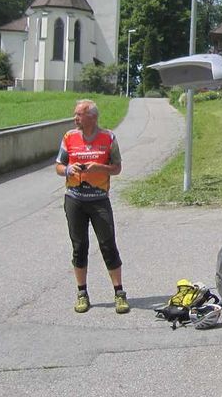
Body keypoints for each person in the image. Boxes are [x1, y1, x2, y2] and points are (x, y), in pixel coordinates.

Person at [55, 99, 129, 314]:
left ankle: (119, 293)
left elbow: (117, 168)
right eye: (75, 114)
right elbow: (58, 166)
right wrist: (68, 169)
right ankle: (82, 293)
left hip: (99, 200)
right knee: (79, 247)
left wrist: (100, 168)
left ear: (92, 117)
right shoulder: (69, 137)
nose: (75, 118)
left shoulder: (108, 137)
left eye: (79, 114)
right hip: (75, 199)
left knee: (108, 245)